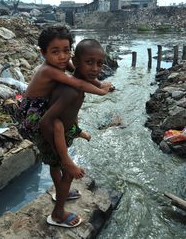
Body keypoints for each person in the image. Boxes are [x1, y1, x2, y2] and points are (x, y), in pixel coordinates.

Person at [39, 39, 109, 228]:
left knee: (56, 167)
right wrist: (65, 158)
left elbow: (70, 114)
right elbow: (48, 121)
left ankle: (61, 192)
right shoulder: (71, 91)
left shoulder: (78, 84)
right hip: (51, 133)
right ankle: (58, 214)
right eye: (89, 62)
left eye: (100, 63)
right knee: (68, 173)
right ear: (76, 63)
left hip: (60, 132)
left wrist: (77, 131)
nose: (95, 68)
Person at [19, 25, 111, 145]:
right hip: (32, 112)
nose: (62, 56)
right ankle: (63, 158)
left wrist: (100, 84)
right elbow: (78, 83)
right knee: (58, 123)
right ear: (43, 52)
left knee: (72, 102)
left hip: (44, 101)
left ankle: (76, 130)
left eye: (66, 51)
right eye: (55, 52)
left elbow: (78, 71)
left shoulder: (61, 61)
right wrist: (101, 91)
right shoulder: (48, 69)